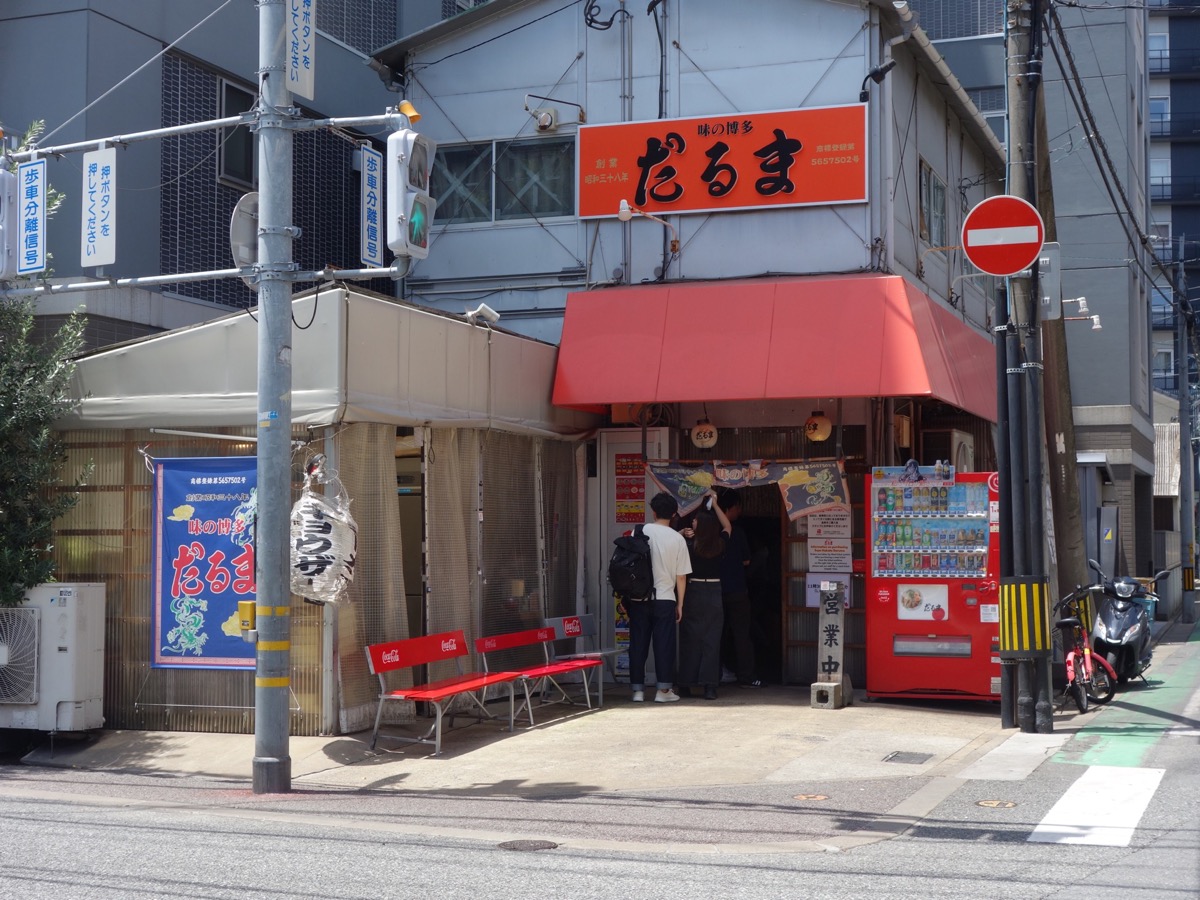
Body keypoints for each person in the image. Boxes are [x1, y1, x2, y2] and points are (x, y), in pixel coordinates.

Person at [627, 491, 691, 703]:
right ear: (674, 514)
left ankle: (637, 690)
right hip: (665, 598)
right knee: (663, 644)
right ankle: (663, 691)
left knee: (638, 643)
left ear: (653, 511)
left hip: (638, 598)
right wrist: (680, 603)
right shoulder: (678, 538)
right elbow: (681, 577)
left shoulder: (639, 532)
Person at [677, 489, 730, 700]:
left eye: (696, 522)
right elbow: (727, 526)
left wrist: (680, 534)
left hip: (694, 591)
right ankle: (710, 687)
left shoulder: (688, 544)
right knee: (712, 639)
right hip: (715, 591)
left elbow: (671, 541)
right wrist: (716, 504)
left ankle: (685, 684)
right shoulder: (720, 543)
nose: (693, 524)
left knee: (690, 638)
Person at [717, 488, 760, 688]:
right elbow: (746, 561)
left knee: (714, 634)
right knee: (742, 634)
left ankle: (713, 674)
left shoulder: (708, 529)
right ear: (731, 508)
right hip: (736, 589)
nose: (739, 511)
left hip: (713, 591)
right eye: (738, 507)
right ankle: (747, 676)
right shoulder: (737, 531)